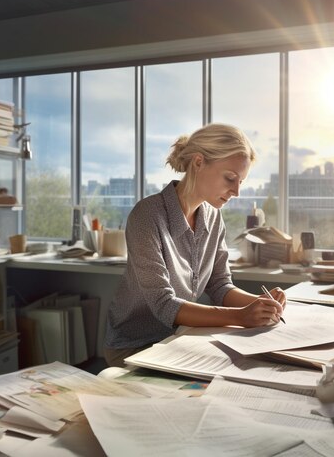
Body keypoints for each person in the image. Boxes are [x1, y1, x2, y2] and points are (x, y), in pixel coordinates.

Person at [104, 123, 286, 367]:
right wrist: (242, 317)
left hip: (182, 338)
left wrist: (259, 305)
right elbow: (164, 304)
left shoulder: (212, 216)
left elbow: (219, 285)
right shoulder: (147, 215)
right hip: (135, 346)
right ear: (198, 163)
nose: (236, 191)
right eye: (230, 178)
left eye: (241, 181)